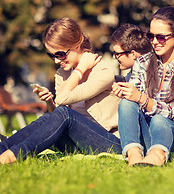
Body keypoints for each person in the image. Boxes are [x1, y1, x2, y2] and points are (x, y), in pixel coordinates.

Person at [0, 17, 122, 164]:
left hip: (109, 142)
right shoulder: (62, 74)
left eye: (60, 54)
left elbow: (63, 102)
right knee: (46, 118)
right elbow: (57, 116)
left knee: (64, 114)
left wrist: (81, 68)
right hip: (77, 141)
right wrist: (49, 102)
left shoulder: (103, 72)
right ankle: (2, 148)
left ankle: (13, 155)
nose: (57, 61)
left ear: (77, 45)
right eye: (52, 56)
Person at [112, 7, 174, 166]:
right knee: (127, 103)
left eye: (160, 37)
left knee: (158, 121)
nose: (154, 41)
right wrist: (128, 93)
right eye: (151, 36)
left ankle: (157, 157)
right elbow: (134, 100)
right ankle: (134, 155)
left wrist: (142, 99)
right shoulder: (143, 62)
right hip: (148, 133)